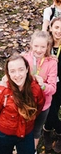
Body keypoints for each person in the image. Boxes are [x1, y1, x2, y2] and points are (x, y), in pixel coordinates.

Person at [0, 54, 45, 154]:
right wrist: (0, 127)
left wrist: (29, 120)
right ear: (8, 73)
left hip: (27, 132)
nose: (17, 75)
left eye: (21, 69)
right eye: (13, 71)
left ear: (27, 69)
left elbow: (39, 106)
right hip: (4, 134)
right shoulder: (1, 91)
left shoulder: (36, 89)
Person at [21, 30, 58, 150]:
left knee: (36, 130)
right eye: (36, 46)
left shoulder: (52, 63)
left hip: (42, 105)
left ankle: (33, 150)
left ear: (48, 46)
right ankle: (19, 148)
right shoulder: (23, 59)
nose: (38, 49)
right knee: (22, 127)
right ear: (31, 44)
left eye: (43, 46)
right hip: (24, 102)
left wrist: (42, 85)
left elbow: (52, 89)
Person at [44, 17, 61, 151]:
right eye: (56, 27)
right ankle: (59, 130)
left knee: (55, 107)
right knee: (50, 109)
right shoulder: (45, 44)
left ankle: (48, 129)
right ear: (51, 28)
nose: (59, 31)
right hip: (47, 83)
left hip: (60, 84)